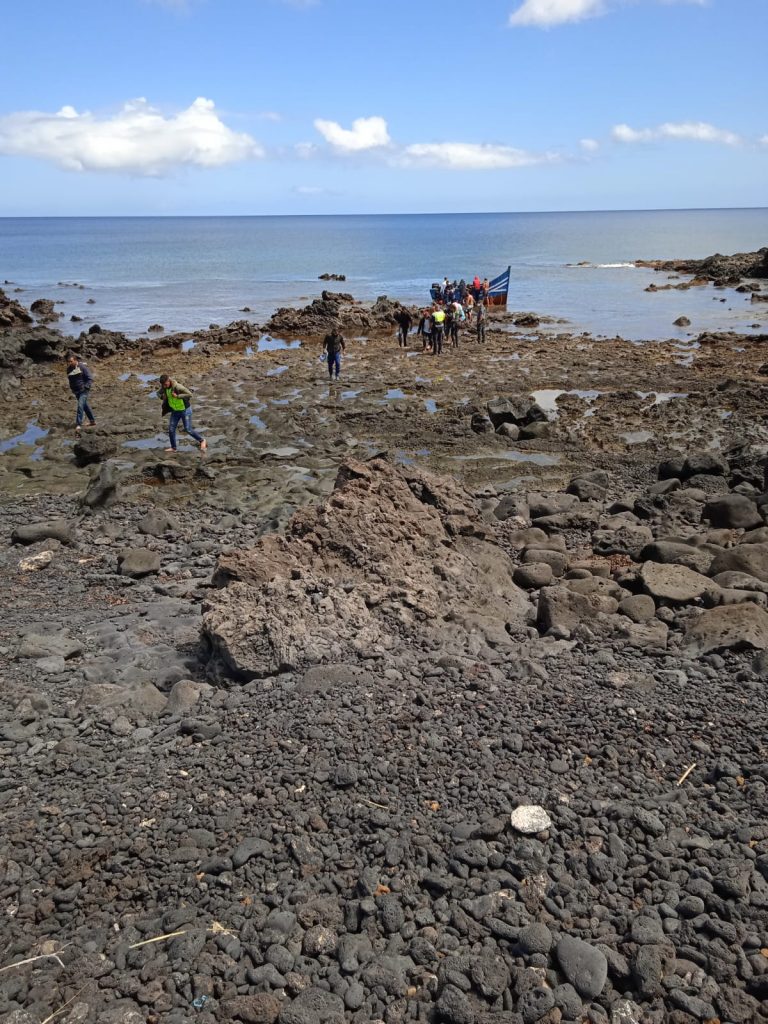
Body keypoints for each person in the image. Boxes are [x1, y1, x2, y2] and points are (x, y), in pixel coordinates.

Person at [157, 374, 207, 453]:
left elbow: (190, 394)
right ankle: (173, 448)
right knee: (171, 430)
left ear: (169, 380)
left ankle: (202, 440)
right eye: (163, 385)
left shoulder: (178, 387)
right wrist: (162, 397)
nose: (165, 386)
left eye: (166, 384)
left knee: (188, 429)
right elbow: (158, 393)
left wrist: (177, 396)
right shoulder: (164, 387)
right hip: (175, 411)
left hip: (185, 410)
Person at [65, 351, 96, 434]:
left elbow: (90, 378)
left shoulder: (82, 367)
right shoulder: (68, 369)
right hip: (76, 391)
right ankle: (92, 421)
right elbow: (70, 380)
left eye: (71, 361)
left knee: (80, 406)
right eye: (68, 362)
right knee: (85, 406)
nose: (70, 363)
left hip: (84, 390)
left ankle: (78, 424)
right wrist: (72, 389)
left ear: (75, 360)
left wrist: (86, 387)